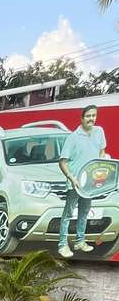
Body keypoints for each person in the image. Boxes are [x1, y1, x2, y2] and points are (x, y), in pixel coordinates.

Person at [58, 105, 108, 258]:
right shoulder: (73, 137)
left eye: (94, 115)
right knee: (67, 214)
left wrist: (99, 168)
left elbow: (102, 150)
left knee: (84, 212)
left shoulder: (99, 132)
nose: (91, 118)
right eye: (88, 116)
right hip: (75, 183)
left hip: (89, 184)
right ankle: (62, 245)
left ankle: (80, 241)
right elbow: (62, 162)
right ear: (81, 118)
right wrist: (72, 178)